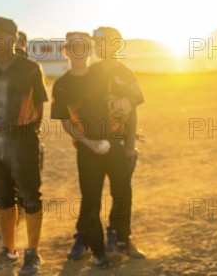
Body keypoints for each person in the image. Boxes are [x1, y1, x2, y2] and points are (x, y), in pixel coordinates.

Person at [51, 32, 124, 268]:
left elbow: (121, 102)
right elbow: (65, 121)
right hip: (87, 149)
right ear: (67, 51)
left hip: (114, 143)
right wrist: (89, 143)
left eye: (84, 47)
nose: (79, 52)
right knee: (91, 202)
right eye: (74, 47)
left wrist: (127, 130)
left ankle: (120, 238)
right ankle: (99, 252)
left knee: (122, 193)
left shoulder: (103, 74)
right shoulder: (62, 85)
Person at [0, 17, 48, 275]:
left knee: (30, 197)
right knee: (2, 198)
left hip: (22, 139)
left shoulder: (30, 69)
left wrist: (27, 133)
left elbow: (40, 105)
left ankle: (32, 253)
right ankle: (8, 251)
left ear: (13, 39)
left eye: (0, 35)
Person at [90, 26, 145, 259]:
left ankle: (122, 237)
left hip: (120, 142)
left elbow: (133, 114)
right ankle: (88, 239)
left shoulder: (127, 74)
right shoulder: (89, 73)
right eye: (96, 43)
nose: (99, 47)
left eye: (105, 42)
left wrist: (131, 145)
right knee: (90, 194)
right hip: (91, 143)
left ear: (116, 45)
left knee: (122, 193)